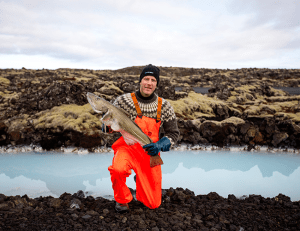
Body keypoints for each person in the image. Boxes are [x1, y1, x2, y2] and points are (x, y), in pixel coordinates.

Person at [106, 64, 180, 212]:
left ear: (156, 84)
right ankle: (122, 200)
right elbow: (109, 127)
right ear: (140, 81)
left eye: (153, 80)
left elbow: (174, 134)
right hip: (127, 148)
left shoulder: (164, 106)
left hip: (149, 152)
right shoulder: (123, 101)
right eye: (146, 79)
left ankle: (140, 180)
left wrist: (160, 145)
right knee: (118, 170)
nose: (149, 83)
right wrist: (106, 125)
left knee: (153, 204)